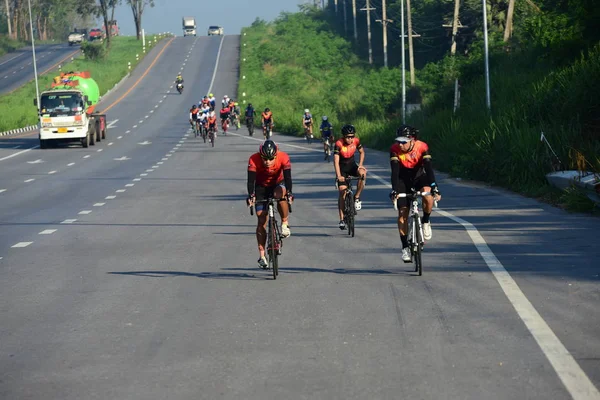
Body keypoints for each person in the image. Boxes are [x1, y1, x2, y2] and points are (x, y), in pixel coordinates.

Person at [389, 125, 441, 262]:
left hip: (419, 177)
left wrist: (434, 186)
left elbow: (429, 169)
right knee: (403, 213)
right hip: (402, 180)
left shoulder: (422, 147)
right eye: (398, 141)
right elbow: (394, 172)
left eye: (403, 142)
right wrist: (394, 189)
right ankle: (405, 247)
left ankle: (425, 221)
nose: (400, 145)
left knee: (427, 194)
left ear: (412, 140)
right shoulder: (394, 149)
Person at [246, 140, 293, 269]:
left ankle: (284, 223)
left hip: (278, 184)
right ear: (260, 156)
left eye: (271, 159)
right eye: (264, 159)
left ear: (276, 155)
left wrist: (289, 193)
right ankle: (262, 256)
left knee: (280, 195)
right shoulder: (254, 159)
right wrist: (251, 195)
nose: (267, 162)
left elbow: (288, 178)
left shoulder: (283, 157)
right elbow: (251, 181)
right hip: (261, 187)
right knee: (261, 219)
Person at [333, 124, 367, 230]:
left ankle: (356, 197)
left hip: (352, 166)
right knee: (342, 192)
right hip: (342, 170)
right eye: (348, 137)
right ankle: (342, 219)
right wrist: (339, 176)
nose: (350, 139)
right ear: (343, 136)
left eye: (352, 136)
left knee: (363, 174)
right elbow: (336, 162)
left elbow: (362, 152)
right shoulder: (339, 144)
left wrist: (360, 165)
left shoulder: (356, 141)